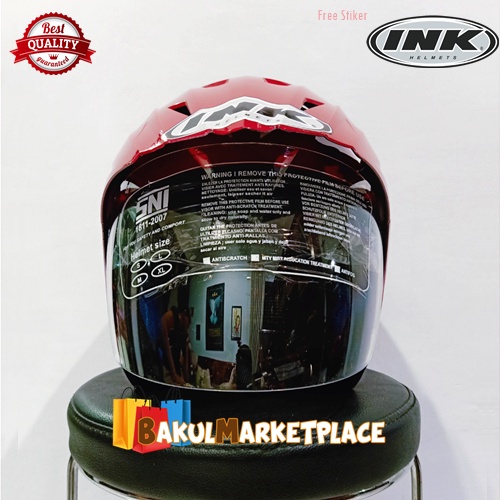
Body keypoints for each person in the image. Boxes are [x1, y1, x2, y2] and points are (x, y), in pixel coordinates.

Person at [161, 306, 192, 385]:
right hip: (167, 366)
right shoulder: (168, 318)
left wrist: (186, 378)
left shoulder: (184, 332)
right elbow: (167, 349)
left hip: (177, 364)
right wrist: (174, 375)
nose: (185, 326)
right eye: (184, 323)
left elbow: (185, 354)